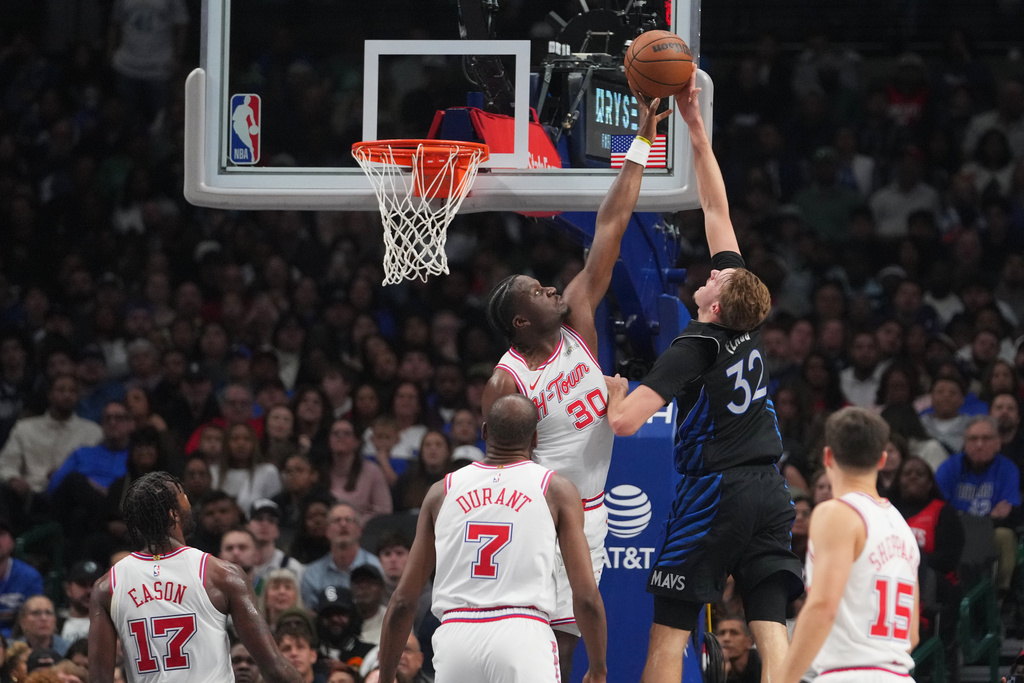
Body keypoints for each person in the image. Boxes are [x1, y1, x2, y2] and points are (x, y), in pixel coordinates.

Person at [605, 73, 802, 683]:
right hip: (770, 490)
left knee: (668, 634)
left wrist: (617, 390)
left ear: (716, 304)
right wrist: (694, 125)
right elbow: (716, 207)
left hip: (716, 491)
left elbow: (624, 422)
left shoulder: (694, 345)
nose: (712, 271)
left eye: (717, 277)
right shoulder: (745, 317)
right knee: (772, 627)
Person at [480, 85, 668, 677]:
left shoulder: (578, 321)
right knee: (541, 639)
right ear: (520, 321)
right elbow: (504, 470)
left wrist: (640, 142)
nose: (550, 288)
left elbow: (611, 224)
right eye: (536, 292)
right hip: (545, 513)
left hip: (597, 508)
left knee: (565, 641)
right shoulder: (507, 383)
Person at [377, 394, 607, 683]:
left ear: (484, 432)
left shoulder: (441, 492)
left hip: (456, 638)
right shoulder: (555, 490)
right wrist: (598, 668)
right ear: (535, 438)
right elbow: (585, 596)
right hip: (522, 633)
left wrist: (385, 677)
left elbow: (402, 601)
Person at [88, 471, 304, 683]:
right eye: (183, 496)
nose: (189, 502)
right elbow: (275, 670)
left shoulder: (107, 586)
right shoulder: (222, 575)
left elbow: (99, 679)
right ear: (173, 514)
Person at [779, 407, 920, 683]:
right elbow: (912, 634)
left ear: (828, 456)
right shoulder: (903, 527)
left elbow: (822, 607)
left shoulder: (836, 513)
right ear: (882, 459)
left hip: (848, 673)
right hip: (898, 675)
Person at [934, 416, 1021, 596]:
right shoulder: (949, 467)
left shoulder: (1007, 469)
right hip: (955, 533)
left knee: (1005, 536)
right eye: (973, 439)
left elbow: (1007, 512)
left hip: (989, 533)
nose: (979, 444)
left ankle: (1001, 597)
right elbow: (938, 509)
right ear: (964, 443)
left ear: (998, 443)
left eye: (986, 438)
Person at [300, 504, 384, 611]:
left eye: (349, 520)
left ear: (359, 530)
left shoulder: (377, 568)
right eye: (337, 520)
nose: (343, 524)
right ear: (327, 531)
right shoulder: (312, 575)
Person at [0, 513, 43, 638]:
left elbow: (33, 621)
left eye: (1, 534)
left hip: (16, 642)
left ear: (12, 542)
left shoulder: (30, 577)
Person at [715, 616, 761, 683]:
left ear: (750, 641)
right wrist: (721, 676)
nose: (726, 638)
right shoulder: (713, 667)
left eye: (734, 633)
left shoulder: (762, 666)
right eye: (722, 633)